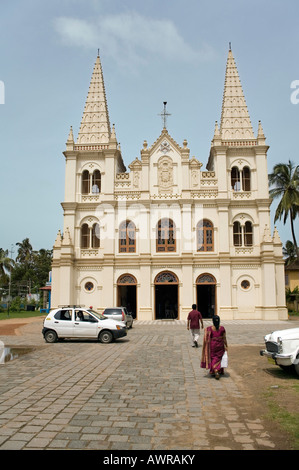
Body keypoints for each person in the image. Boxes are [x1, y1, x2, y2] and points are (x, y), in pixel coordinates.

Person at [201, 315, 228, 379]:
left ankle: (215, 370)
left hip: (213, 345)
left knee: (213, 358)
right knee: (219, 358)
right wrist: (226, 345)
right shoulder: (222, 328)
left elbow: (207, 338)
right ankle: (217, 370)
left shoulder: (209, 329)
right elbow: (224, 338)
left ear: (212, 321)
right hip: (220, 345)